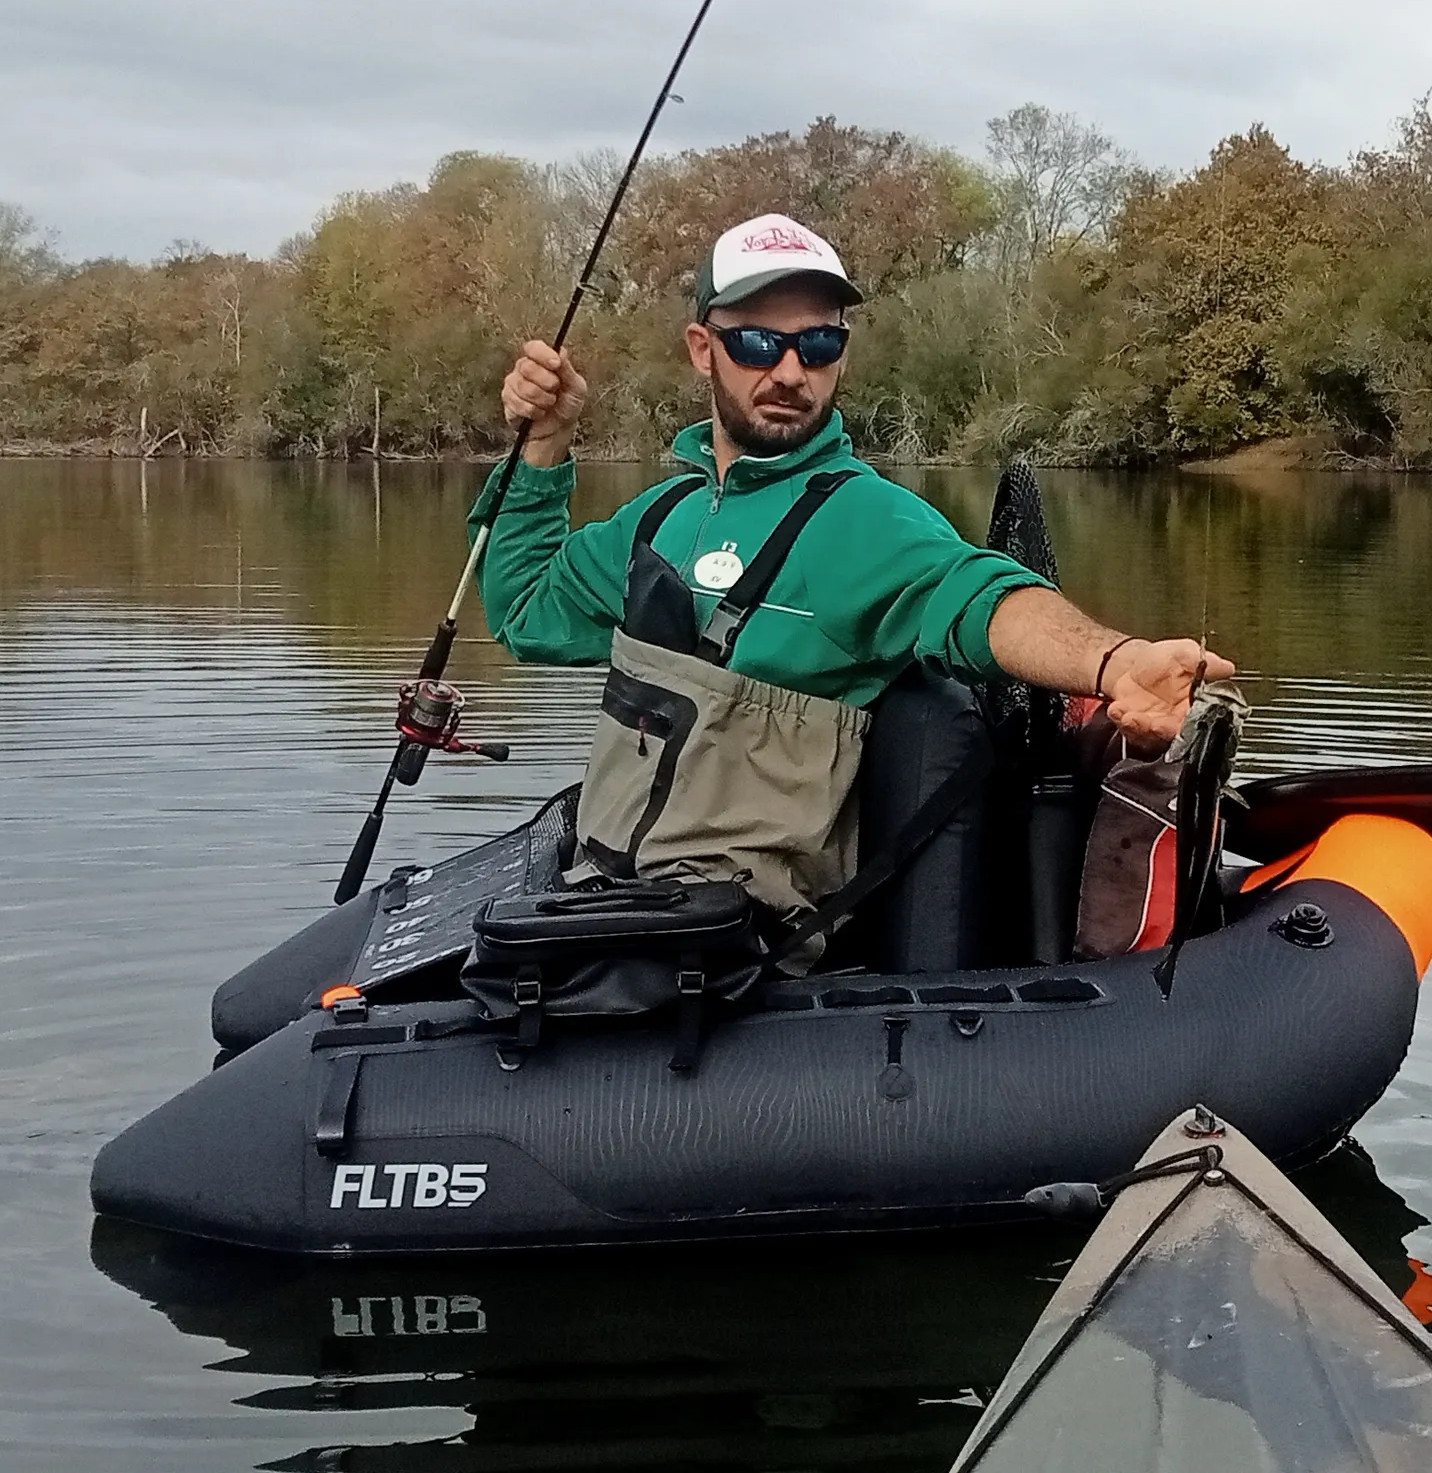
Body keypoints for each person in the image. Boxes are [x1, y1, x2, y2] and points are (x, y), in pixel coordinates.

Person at [474, 212, 1231, 943]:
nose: (791, 372)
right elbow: (525, 611)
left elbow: (980, 597)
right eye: (758, 343)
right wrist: (543, 445)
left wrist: (1115, 661)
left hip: (732, 949)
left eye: (819, 344)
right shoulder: (658, 516)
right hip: (606, 902)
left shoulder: (868, 520)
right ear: (704, 349)